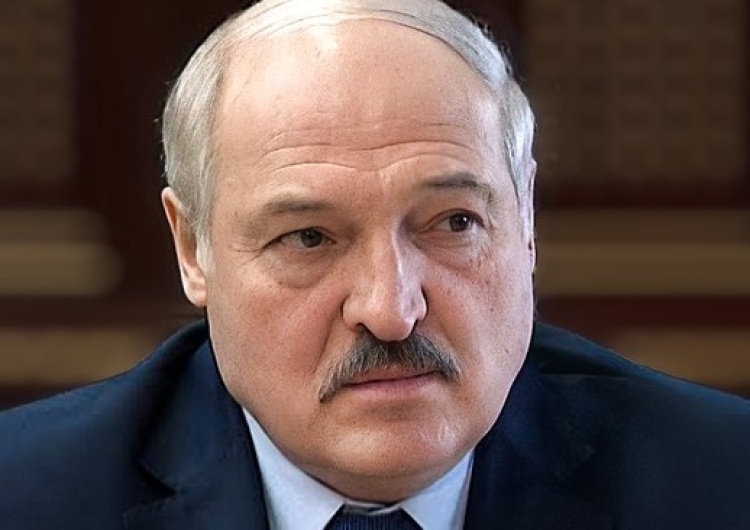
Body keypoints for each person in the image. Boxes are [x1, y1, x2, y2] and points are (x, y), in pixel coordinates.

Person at [1, 0, 748, 528]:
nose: (391, 310)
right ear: (193, 251)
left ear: (524, 222)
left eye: (454, 223)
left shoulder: (722, 482)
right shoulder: (25, 497)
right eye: (308, 238)